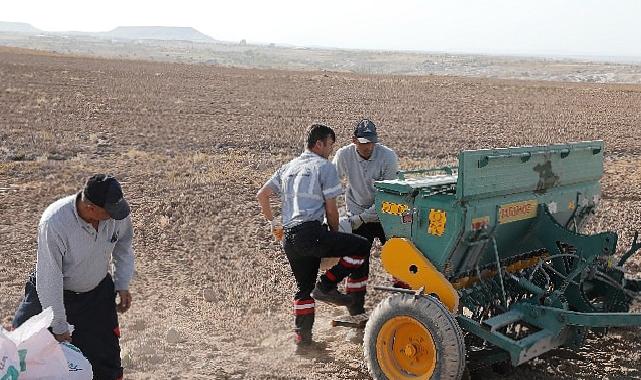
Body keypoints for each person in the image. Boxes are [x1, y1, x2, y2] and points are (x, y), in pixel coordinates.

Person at [256, 123, 371, 348]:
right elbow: (331, 209)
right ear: (319, 143)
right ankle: (327, 286)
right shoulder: (324, 167)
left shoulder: (287, 167)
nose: (330, 150)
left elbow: (262, 195)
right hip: (311, 232)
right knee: (362, 247)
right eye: (329, 145)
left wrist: (274, 222)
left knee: (303, 289)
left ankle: (303, 341)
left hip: (289, 238)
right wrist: (336, 237)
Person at [12, 174, 134, 380]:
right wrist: (59, 324)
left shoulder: (116, 214)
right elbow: (49, 277)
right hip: (50, 291)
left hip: (95, 293)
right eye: (110, 212)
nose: (116, 216)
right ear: (91, 208)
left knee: (105, 361)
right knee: (23, 351)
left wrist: (122, 283)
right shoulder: (55, 222)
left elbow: (123, 245)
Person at [332, 119, 401, 314]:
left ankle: (404, 307)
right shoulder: (343, 155)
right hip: (357, 211)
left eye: (371, 142)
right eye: (363, 142)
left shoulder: (388, 157)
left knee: (399, 258)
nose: (368, 146)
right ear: (354, 140)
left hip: (386, 214)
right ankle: (355, 314)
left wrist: (359, 219)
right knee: (357, 263)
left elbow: (387, 198)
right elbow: (329, 183)